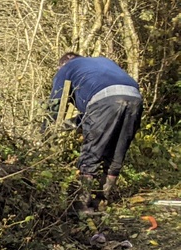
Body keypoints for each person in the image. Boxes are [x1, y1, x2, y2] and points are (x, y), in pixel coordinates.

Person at [49, 52, 143, 213]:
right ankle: (102, 200)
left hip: (104, 100)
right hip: (134, 98)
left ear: (63, 64)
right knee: (117, 151)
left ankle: (82, 204)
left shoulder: (67, 68)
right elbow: (92, 115)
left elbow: (55, 105)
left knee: (91, 152)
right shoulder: (102, 62)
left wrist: (46, 132)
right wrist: (71, 124)